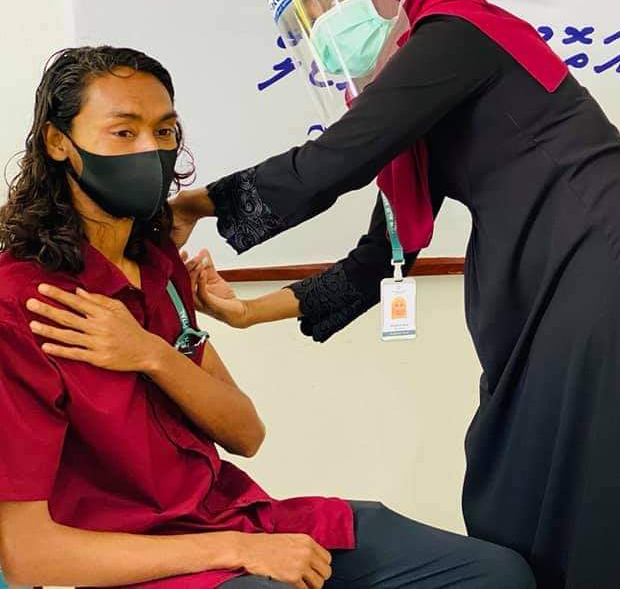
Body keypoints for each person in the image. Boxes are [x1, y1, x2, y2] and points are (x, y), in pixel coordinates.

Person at [172, 0, 620, 589]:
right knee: (515, 472)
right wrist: (247, 312)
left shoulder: (454, 34)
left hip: (602, 252)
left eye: (335, 3)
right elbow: (379, 258)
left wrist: (195, 205)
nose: (328, 30)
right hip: (546, 273)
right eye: (310, 23)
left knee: (608, 477)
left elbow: (333, 163)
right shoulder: (419, 96)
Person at [0, 46, 535, 589]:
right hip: (143, 562)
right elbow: (30, 555)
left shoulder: (158, 265)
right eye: (123, 132)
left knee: (493, 574)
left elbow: (245, 432)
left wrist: (152, 353)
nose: (149, 150)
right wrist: (237, 550)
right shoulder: (21, 304)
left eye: (164, 132)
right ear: (57, 142)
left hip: (232, 516)